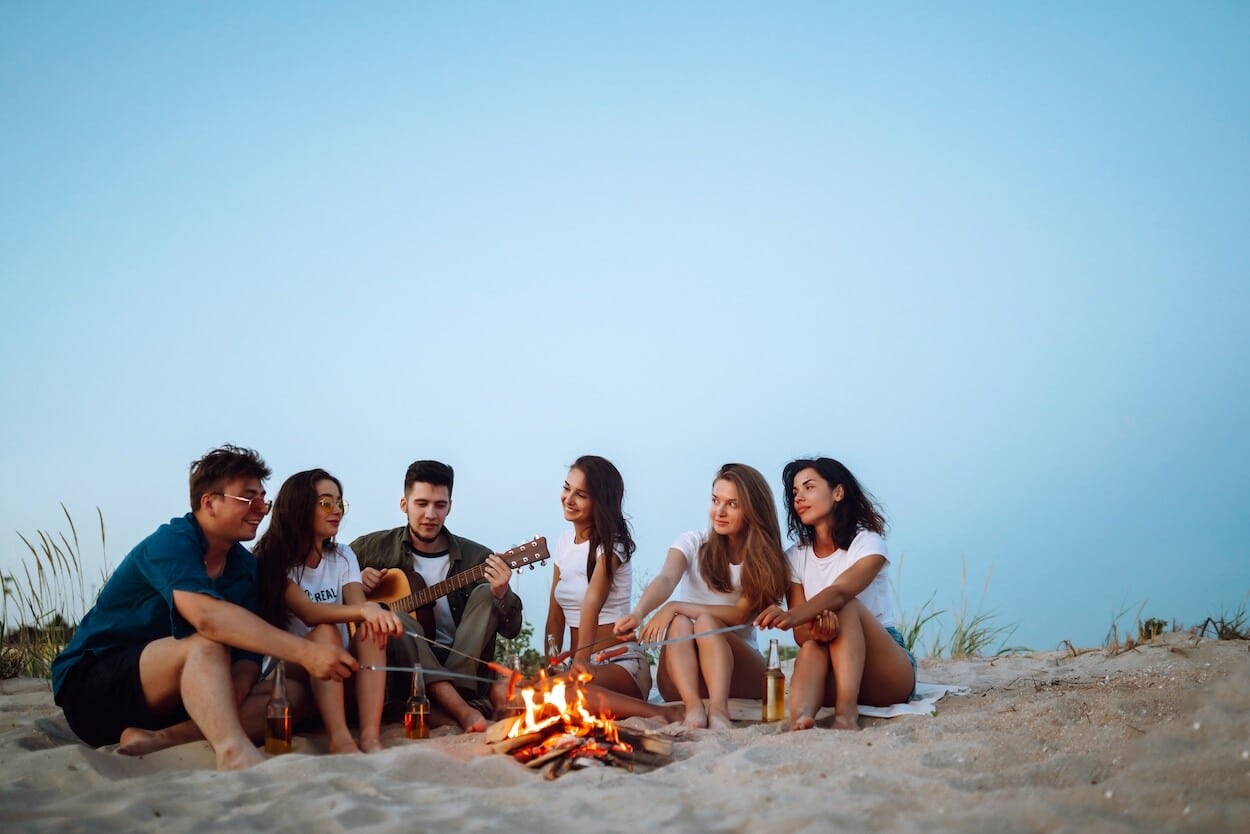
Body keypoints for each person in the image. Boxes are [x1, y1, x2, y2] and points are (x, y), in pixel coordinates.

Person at [50, 445, 359, 770]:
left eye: (262, 500)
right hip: (96, 691)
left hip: (178, 697)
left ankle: (162, 738)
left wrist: (237, 688)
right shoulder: (171, 543)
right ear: (209, 502)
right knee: (204, 639)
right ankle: (233, 752)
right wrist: (304, 652)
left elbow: (246, 657)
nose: (260, 509)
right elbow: (207, 618)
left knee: (290, 696)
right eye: (248, 498)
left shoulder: (245, 568)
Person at [351, 460, 523, 733]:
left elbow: (512, 630)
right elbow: (326, 591)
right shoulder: (370, 549)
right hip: (403, 671)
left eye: (439, 505)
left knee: (486, 593)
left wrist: (503, 593)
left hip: (461, 669)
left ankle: (450, 702)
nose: (430, 514)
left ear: (450, 507)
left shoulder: (477, 557)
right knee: (394, 618)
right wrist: (354, 583)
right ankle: (459, 710)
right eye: (421, 503)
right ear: (403, 504)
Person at [614, 463, 790, 729]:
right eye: (715, 500)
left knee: (705, 622)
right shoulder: (693, 542)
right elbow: (666, 578)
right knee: (682, 623)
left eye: (732, 504)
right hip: (683, 677)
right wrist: (639, 613)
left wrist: (677, 606)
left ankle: (718, 710)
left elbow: (740, 615)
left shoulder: (763, 559)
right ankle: (695, 708)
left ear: (753, 509)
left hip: (738, 672)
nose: (719, 511)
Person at [755, 457, 916, 731]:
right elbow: (801, 634)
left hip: (886, 672)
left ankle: (846, 715)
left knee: (845, 606)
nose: (799, 498)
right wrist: (816, 632)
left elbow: (841, 592)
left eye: (809, 487)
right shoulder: (795, 557)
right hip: (832, 672)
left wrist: (791, 615)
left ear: (838, 492)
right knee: (812, 645)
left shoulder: (867, 543)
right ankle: (801, 718)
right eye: (795, 492)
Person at [253, 468, 404, 753]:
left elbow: (359, 608)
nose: (336, 510)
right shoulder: (273, 559)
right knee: (325, 633)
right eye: (326, 503)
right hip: (292, 666)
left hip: (338, 667)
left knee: (371, 630)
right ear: (299, 506)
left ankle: (370, 736)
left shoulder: (343, 555)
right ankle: (339, 739)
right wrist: (365, 611)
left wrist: (370, 613)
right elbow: (309, 613)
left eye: (339, 503)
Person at [544, 456, 681, 723]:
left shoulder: (612, 546)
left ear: (600, 501)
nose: (568, 499)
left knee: (572, 695)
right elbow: (555, 616)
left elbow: (592, 602)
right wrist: (551, 664)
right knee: (513, 694)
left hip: (620, 664)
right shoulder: (562, 544)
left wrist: (581, 665)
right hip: (579, 665)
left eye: (580, 494)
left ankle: (662, 713)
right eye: (567, 488)